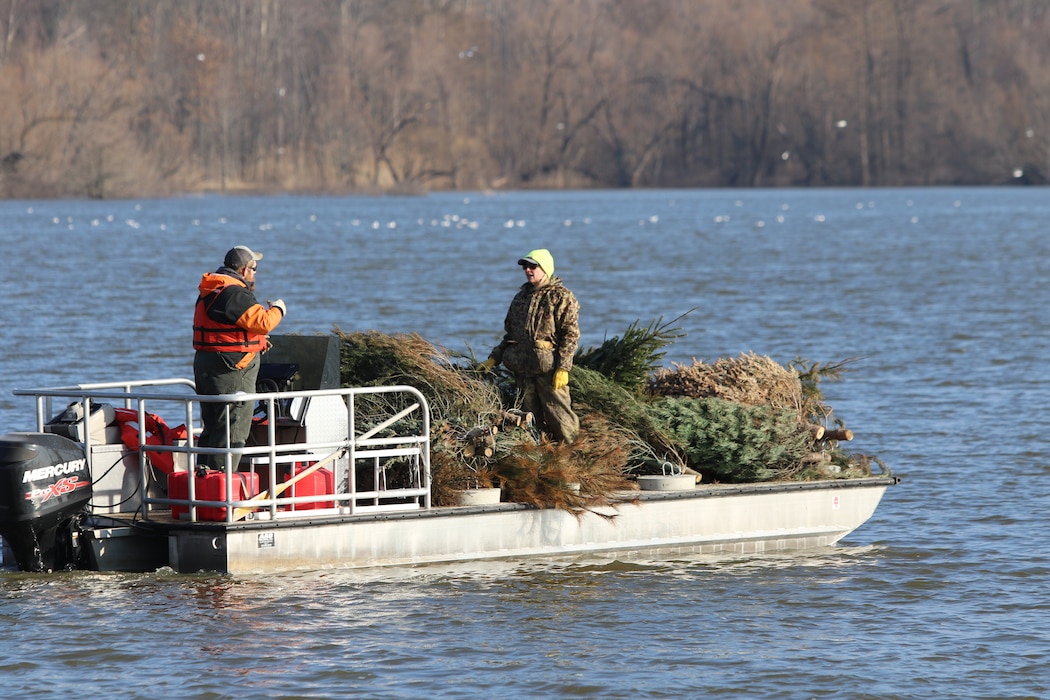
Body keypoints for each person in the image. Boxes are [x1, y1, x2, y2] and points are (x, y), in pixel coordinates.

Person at [192, 245, 286, 471]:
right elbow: (263, 322)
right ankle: (220, 492)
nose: (255, 274)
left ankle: (201, 484)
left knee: (213, 427)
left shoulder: (211, 290)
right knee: (232, 429)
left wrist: (258, 341)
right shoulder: (234, 293)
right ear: (243, 270)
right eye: (254, 269)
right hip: (232, 370)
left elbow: (231, 329)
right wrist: (279, 309)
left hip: (208, 364)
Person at [479, 249, 580, 443]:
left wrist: (563, 368)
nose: (528, 270)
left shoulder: (561, 297)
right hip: (522, 370)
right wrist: (494, 358)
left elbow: (571, 334)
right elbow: (511, 335)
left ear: (545, 268)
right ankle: (540, 460)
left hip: (548, 371)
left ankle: (576, 457)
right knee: (528, 421)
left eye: (533, 266)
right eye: (525, 266)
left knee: (560, 418)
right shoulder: (520, 298)